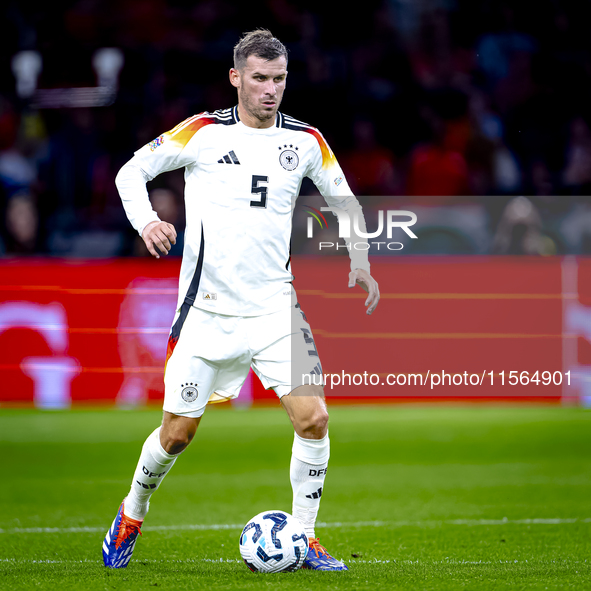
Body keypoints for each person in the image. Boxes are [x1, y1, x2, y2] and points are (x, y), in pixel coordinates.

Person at [103, 29, 380, 571]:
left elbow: (343, 198)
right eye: (259, 78)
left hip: (275, 310)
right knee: (177, 434)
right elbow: (130, 171)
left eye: (278, 79)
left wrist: (361, 259)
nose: (270, 89)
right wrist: (148, 221)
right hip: (205, 312)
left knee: (315, 419)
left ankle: (304, 536)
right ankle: (133, 510)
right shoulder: (203, 133)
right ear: (236, 78)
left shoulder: (305, 141)